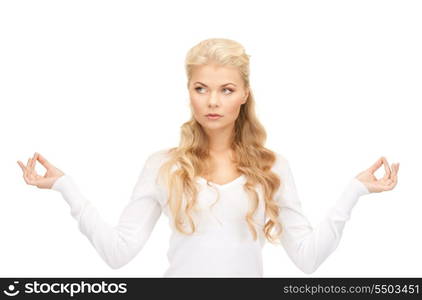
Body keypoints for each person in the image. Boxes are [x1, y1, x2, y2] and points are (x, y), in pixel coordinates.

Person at [17, 38, 400, 277]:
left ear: (244, 93)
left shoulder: (272, 167)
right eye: (201, 88)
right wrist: (65, 187)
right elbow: (118, 253)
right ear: (189, 91)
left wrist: (355, 191)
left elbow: (307, 259)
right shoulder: (162, 165)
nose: (213, 101)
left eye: (226, 89)